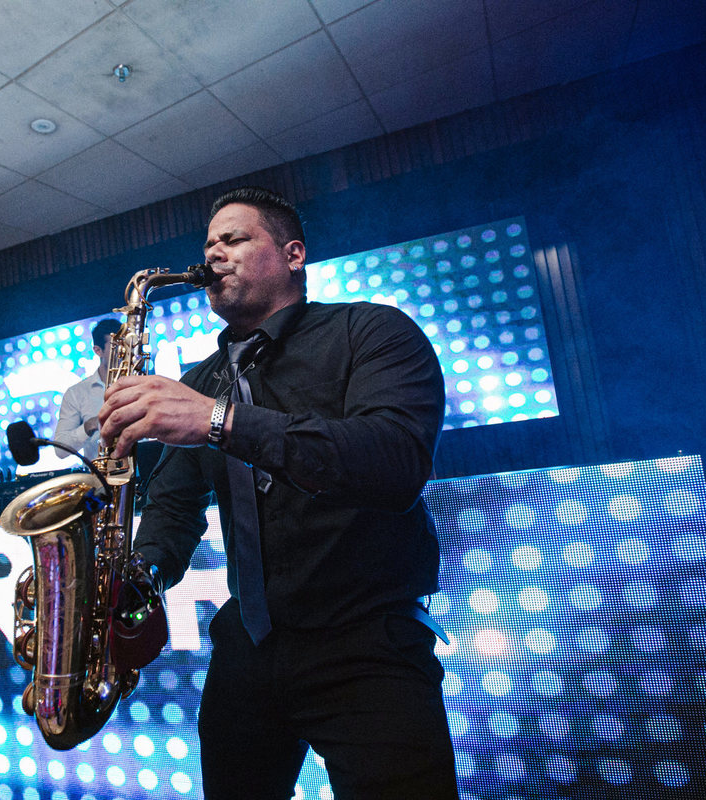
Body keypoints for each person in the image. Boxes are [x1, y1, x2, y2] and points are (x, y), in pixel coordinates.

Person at [99, 187, 458, 799]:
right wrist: (140, 578)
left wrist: (219, 421)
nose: (214, 253)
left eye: (234, 239)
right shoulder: (201, 381)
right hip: (250, 646)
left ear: (293, 254)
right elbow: (176, 506)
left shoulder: (369, 331)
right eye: (208, 243)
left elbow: (395, 462)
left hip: (367, 643)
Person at [51, 318, 122, 462]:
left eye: (126, 345)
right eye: (116, 346)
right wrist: (90, 425)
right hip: (101, 479)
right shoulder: (76, 393)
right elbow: (60, 449)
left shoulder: (141, 382)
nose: (123, 351)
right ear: (98, 350)